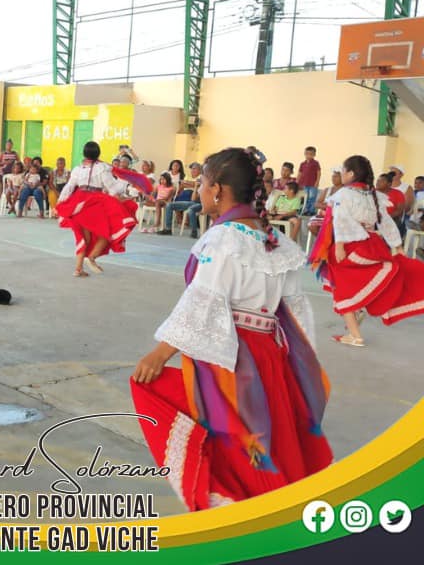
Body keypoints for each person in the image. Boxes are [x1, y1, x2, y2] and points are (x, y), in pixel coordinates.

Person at [131, 147, 332, 509]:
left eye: (203, 183)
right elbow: (296, 312)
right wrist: (296, 367)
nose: (199, 190)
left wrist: (161, 353)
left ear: (218, 190)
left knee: (231, 444)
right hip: (270, 356)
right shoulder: (278, 242)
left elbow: (204, 300)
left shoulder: (224, 239)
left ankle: (245, 511)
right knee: (268, 440)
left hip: (232, 356)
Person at [309, 155, 424, 347]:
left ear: (351, 174)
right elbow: (386, 223)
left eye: (343, 170)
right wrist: (397, 246)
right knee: (357, 283)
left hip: (351, 245)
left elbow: (341, 220)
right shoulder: (373, 195)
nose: (341, 174)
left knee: (343, 288)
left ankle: (355, 334)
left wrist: (339, 245)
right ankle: (357, 312)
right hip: (373, 244)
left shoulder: (344, 194)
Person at [55, 141, 137, 277]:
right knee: (106, 233)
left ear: (84, 153)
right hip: (95, 202)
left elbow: (69, 187)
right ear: (98, 153)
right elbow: (112, 188)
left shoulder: (78, 169)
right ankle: (92, 257)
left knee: (84, 238)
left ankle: (78, 269)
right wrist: (124, 180)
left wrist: (60, 202)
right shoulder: (102, 168)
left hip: (79, 203)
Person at [308, 167, 343, 238]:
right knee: (312, 224)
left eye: (336, 176)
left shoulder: (345, 190)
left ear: (342, 178)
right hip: (324, 216)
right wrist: (326, 206)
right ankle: (323, 240)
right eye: (333, 176)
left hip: (338, 217)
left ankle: (327, 241)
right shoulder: (327, 190)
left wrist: (328, 206)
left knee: (333, 226)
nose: (333, 178)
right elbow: (316, 204)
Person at [297, 146, 321, 215]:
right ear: (304, 154)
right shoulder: (303, 164)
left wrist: (317, 182)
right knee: (306, 197)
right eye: (307, 154)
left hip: (312, 184)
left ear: (314, 155)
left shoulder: (315, 163)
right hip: (304, 184)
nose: (308, 156)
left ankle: (311, 210)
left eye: (311, 154)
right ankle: (306, 210)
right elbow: (300, 173)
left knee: (312, 197)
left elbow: (318, 173)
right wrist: (297, 181)